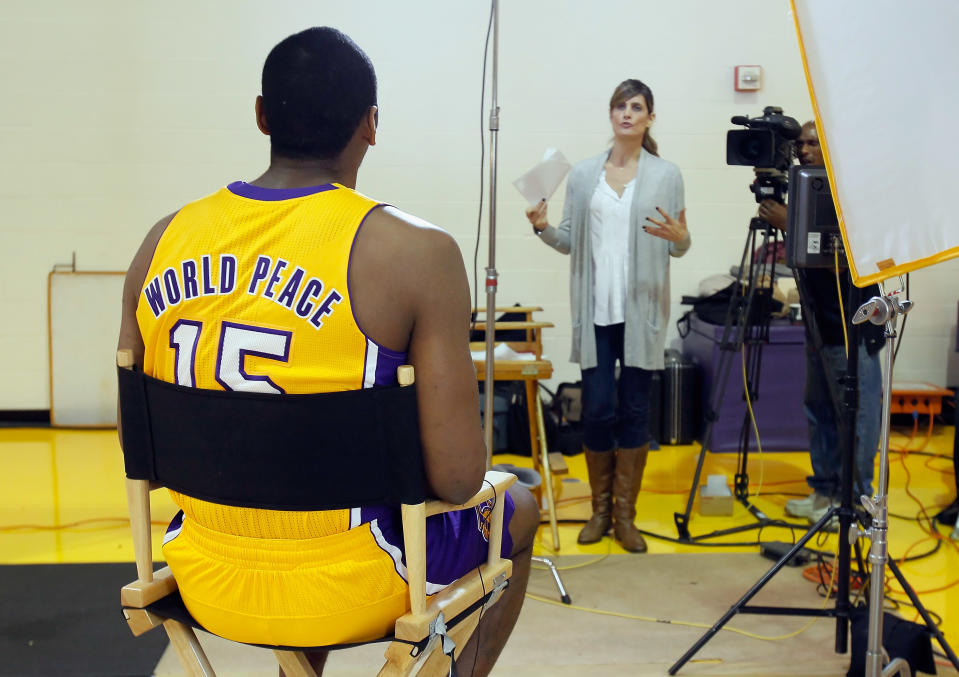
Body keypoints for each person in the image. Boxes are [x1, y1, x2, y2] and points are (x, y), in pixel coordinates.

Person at [116, 27, 537, 676]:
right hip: (360, 578)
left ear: (261, 115)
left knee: (281, 492)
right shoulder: (414, 252)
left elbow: (138, 439)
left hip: (203, 571)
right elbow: (456, 478)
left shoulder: (160, 241)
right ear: (371, 124)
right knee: (519, 503)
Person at [524, 79, 690, 552]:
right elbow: (569, 241)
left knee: (635, 411)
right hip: (596, 313)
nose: (627, 114)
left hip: (642, 312)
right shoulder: (582, 176)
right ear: (611, 114)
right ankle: (599, 510)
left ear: (649, 118)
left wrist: (679, 237)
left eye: (636, 107)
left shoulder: (666, 174)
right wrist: (542, 229)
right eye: (620, 106)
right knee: (598, 410)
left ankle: (625, 517)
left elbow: (681, 244)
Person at [758, 121, 883, 526]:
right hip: (818, 324)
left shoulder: (849, 195)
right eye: (800, 144)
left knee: (856, 416)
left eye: (813, 143)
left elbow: (840, 253)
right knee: (819, 408)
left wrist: (788, 221)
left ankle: (858, 500)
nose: (804, 150)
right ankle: (826, 491)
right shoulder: (805, 186)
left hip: (852, 327)